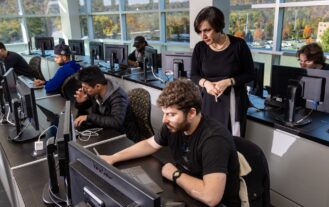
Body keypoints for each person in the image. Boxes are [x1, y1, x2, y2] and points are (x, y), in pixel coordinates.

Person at [101, 79, 241, 207]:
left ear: (191, 113)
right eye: (164, 113)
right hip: (186, 193)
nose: (164, 120)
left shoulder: (214, 140)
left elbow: (211, 197)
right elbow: (149, 144)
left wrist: (175, 174)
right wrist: (113, 158)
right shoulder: (174, 126)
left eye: (171, 114)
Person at [191, 6, 254, 137]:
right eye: (200, 31)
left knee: (233, 142)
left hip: (233, 101)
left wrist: (229, 81)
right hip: (208, 101)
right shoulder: (200, 48)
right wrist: (206, 84)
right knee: (209, 139)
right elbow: (194, 75)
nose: (203, 36)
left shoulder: (239, 45)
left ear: (218, 26)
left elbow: (250, 73)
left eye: (207, 30)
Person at [74, 66, 135, 136]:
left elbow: (116, 122)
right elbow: (87, 108)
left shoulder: (118, 97)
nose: (84, 90)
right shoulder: (96, 91)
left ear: (98, 86)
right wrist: (81, 102)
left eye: (86, 88)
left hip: (124, 136)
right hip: (107, 130)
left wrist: (88, 117)